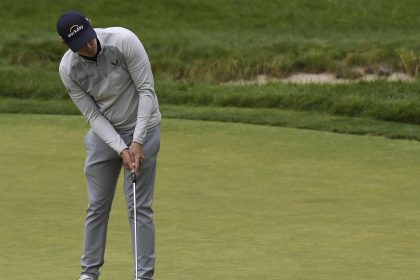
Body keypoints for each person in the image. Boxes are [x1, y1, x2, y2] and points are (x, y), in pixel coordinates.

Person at [57, 11, 161, 280]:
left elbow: (146, 90)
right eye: (80, 43)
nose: (88, 45)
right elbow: (92, 115)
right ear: (65, 44)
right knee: (97, 205)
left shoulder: (124, 41)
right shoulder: (68, 69)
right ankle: (89, 273)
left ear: (91, 26)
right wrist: (121, 147)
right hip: (105, 136)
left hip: (144, 128)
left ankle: (143, 276)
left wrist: (137, 141)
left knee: (139, 206)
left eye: (88, 38)